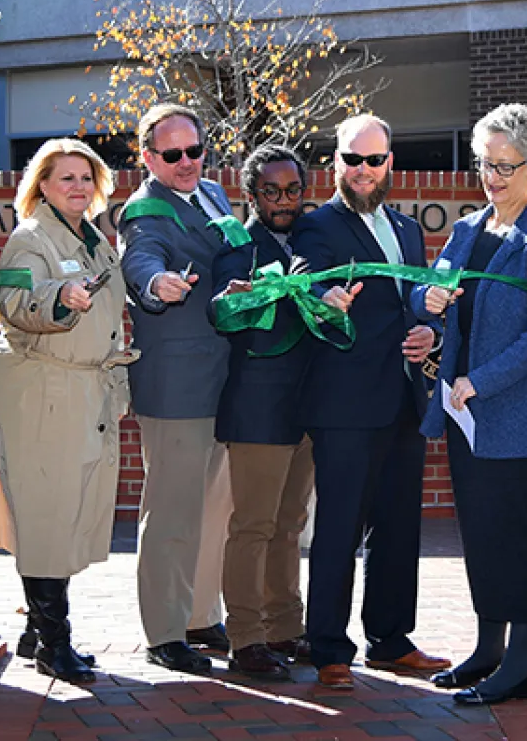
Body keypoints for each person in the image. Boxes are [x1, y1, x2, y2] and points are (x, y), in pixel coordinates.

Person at [290, 114, 451, 689]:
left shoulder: (407, 230)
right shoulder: (318, 226)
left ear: (390, 162)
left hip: (404, 398)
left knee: (398, 526)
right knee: (339, 527)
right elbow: (306, 277)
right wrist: (325, 295)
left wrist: (429, 330)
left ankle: (390, 640)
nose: (362, 171)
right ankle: (328, 646)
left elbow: (416, 302)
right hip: (346, 404)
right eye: (351, 160)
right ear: (334, 162)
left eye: (373, 160)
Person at [412, 103, 527, 706]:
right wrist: (432, 300)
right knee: (479, 532)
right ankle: (488, 650)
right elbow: (430, 289)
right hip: (466, 417)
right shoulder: (469, 230)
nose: (493, 177)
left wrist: (483, 380)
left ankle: (519, 668)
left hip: (513, 416)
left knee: (517, 538)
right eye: (485, 164)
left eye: (505, 166)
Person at [0, 137, 138, 685]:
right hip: (42, 393)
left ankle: (35, 632)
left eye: (84, 178)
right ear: (42, 186)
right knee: (49, 513)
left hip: (84, 392)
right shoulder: (30, 237)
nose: (76, 187)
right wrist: (57, 298)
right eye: (64, 178)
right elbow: (14, 299)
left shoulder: (96, 239)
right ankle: (56, 643)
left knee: (67, 512)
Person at [118, 103, 233, 674]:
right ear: (147, 159)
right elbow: (140, 259)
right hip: (177, 384)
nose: (187, 163)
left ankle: (199, 614)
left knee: (216, 508)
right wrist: (155, 283)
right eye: (173, 154)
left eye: (195, 150)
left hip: (227, 377)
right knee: (172, 512)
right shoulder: (143, 212)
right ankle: (164, 631)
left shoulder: (213, 193)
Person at [210, 145, 315, 681]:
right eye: (270, 192)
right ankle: (246, 638)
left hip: (308, 409)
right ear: (252, 194)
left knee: (291, 525)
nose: (282, 201)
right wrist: (238, 299)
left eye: (292, 190)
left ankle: (284, 629)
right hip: (257, 409)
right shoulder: (236, 248)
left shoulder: (315, 240)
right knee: (253, 526)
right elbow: (222, 312)